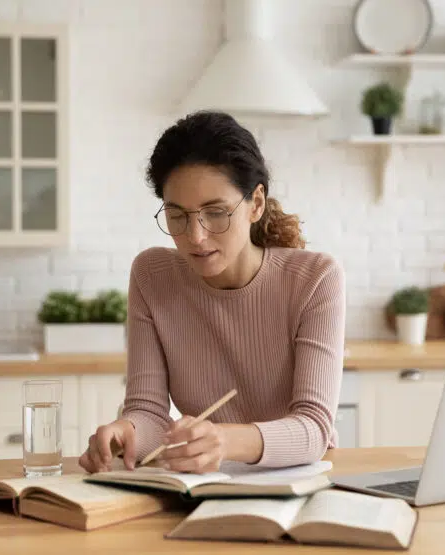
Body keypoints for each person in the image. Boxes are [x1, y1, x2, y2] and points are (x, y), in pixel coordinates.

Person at [79, 111, 345, 474]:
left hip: (292, 482)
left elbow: (314, 428)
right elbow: (149, 414)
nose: (196, 237)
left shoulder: (314, 279)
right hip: (203, 486)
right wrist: (127, 433)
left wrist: (223, 440)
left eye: (216, 213)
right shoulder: (152, 276)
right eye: (177, 215)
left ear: (256, 203)